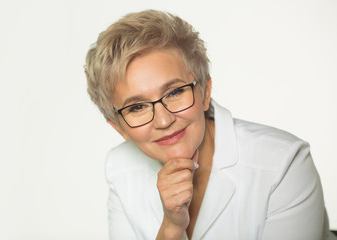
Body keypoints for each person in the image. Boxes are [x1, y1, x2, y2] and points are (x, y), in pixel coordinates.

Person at [84, 10, 335, 240]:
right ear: (119, 128)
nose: (163, 120)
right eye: (136, 107)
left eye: (174, 92)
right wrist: (171, 227)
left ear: (205, 93)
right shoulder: (119, 168)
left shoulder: (283, 163)